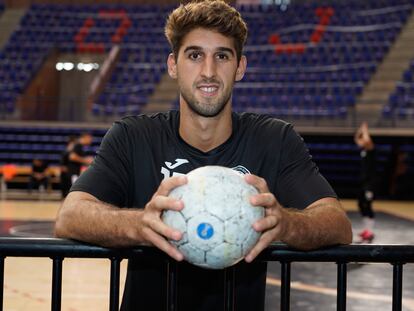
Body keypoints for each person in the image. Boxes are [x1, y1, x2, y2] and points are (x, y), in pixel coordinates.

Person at [55, 1, 352, 310]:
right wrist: (139, 224)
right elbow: (70, 216)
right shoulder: (133, 137)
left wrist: (287, 224)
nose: (208, 72)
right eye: (195, 55)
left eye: (221, 56)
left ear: (240, 67)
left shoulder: (274, 139)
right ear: (173, 65)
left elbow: (337, 224)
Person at [354, 122, 376, 243]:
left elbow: (367, 140)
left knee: (368, 205)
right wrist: (360, 131)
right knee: (361, 204)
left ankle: (370, 231)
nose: (362, 141)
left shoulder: (371, 150)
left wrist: (365, 129)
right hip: (363, 183)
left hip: (370, 184)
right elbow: (357, 139)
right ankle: (366, 229)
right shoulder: (364, 150)